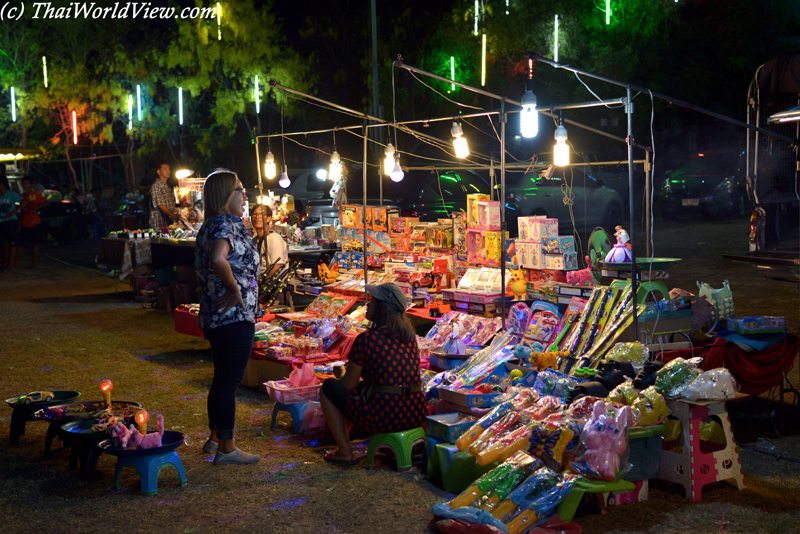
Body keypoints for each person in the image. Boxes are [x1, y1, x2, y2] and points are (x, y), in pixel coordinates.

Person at [194, 169, 262, 466]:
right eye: (240, 190)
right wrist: (235, 290)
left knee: (221, 378)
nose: (245, 196)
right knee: (228, 382)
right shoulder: (225, 225)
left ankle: (214, 439)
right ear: (225, 196)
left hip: (217, 315)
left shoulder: (211, 224)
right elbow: (217, 259)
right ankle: (227, 447)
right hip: (233, 315)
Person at [320, 283, 426, 464]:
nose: (368, 304)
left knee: (328, 388)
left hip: (384, 416)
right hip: (415, 413)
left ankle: (344, 452)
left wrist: (341, 372)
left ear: (382, 308)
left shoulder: (366, 339)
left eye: (373, 300)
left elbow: (348, 384)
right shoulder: (410, 339)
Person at [11, 177, 49, 269]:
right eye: (23, 183)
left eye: (27, 183)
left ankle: (33, 263)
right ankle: (17, 263)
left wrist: (37, 208)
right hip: (24, 222)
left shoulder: (35, 195)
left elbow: (47, 202)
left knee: (34, 243)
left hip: (34, 222)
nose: (25, 185)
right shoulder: (22, 196)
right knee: (20, 244)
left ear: (31, 185)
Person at [251, 204, 288, 275]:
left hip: (271, 283)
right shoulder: (254, 241)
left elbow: (277, 266)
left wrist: (261, 282)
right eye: (254, 214)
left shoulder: (274, 238)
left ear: (269, 218)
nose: (257, 217)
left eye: (261, 214)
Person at [0, 173, 22, 269]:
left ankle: (11, 263)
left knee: (12, 242)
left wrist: (14, 212)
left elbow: (24, 201)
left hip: (11, 221)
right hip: (2, 221)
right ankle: (6, 262)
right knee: (4, 242)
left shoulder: (11, 194)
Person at [149, 162, 180, 230]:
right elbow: (161, 205)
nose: (168, 171)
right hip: (159, 223)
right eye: (165, 169)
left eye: (169, 169)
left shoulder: (167, 186)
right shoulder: (156, 186)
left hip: (168, 222)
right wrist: (174, 217)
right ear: (158, 172)